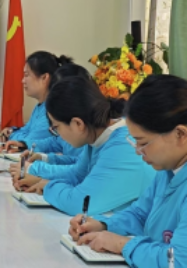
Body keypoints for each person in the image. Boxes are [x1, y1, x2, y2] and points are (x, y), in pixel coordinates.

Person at [69, 75, 187, 267]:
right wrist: (102, 224)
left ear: (180, 134)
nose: (138, 151)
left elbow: (179, 261)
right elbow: (140, 214)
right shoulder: (167, 170)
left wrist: (121, 244)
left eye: (143, 142)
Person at [13, 76, 155, 216]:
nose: (57, 135)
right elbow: (77, 175)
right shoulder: (95, 137)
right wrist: (40, 180)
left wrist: (48, 186)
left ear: (78, 124)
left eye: (56, 128)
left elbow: (79, 203)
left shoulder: (123, 146)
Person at [9, 63, 90, 179]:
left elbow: (79, 173)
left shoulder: (91, 135)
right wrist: (44, 157)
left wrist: (36, 172)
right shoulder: (78, 125)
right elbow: (60, 145)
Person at [0, 51, 73, 152]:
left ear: (44, 78)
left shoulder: (53, 110)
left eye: (26, 75)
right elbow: (25, 131)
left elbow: (29, 139)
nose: (23, 81)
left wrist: (11, 135)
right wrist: (12, 130)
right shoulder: (39, 107)